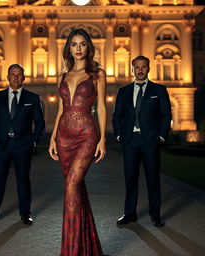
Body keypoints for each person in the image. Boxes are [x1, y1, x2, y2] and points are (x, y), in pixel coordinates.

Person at [49, 28, 107, 256]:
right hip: (63, 137)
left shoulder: (98, 74)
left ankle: (70, 252)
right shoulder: (61, 77)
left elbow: (101, 107)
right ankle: (87, 247)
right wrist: (53, 137)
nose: (79, 48)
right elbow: (60, 109)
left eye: (83, 44)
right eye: (74, 44)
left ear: (88, 47)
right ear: (69, 48)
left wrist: (102, 139)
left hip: (86, 135)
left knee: (71, 184)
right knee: (76, 189)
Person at [112, 56, 172, 227]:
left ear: (148, 68)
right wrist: (118, 135)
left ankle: (155, 215)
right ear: (132, 69)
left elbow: (166, 115)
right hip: (130, 141)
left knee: (153, 180)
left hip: (150, 142)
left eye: (143, 67)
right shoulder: (124, 91)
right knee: (130, 179)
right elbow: (117, 116)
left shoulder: (159, 90)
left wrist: (161, 136)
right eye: (137, 67)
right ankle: (129, 214)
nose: (140, 70)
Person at [0, 64, 45, 226]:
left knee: (23, 181)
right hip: (1, 146)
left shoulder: (32, 98)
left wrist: (33, 141)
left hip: (22, 146)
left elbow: (40, 123)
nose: (16, 77)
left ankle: (25, 214)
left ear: (23, 78)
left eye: (19, 75)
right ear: (8, 77)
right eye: (13, 74)